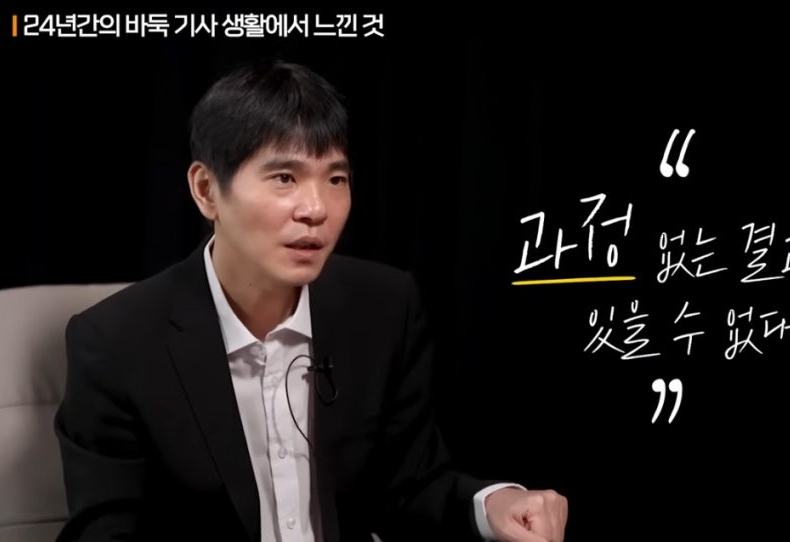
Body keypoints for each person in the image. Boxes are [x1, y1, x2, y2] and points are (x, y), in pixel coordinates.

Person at [53, 58, 568, 541]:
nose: (316, 208)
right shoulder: (116, 342)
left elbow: (410, 485)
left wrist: (493, 504)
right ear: (206, 189)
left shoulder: (384, 307)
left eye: (336, 179)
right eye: (285, 178)